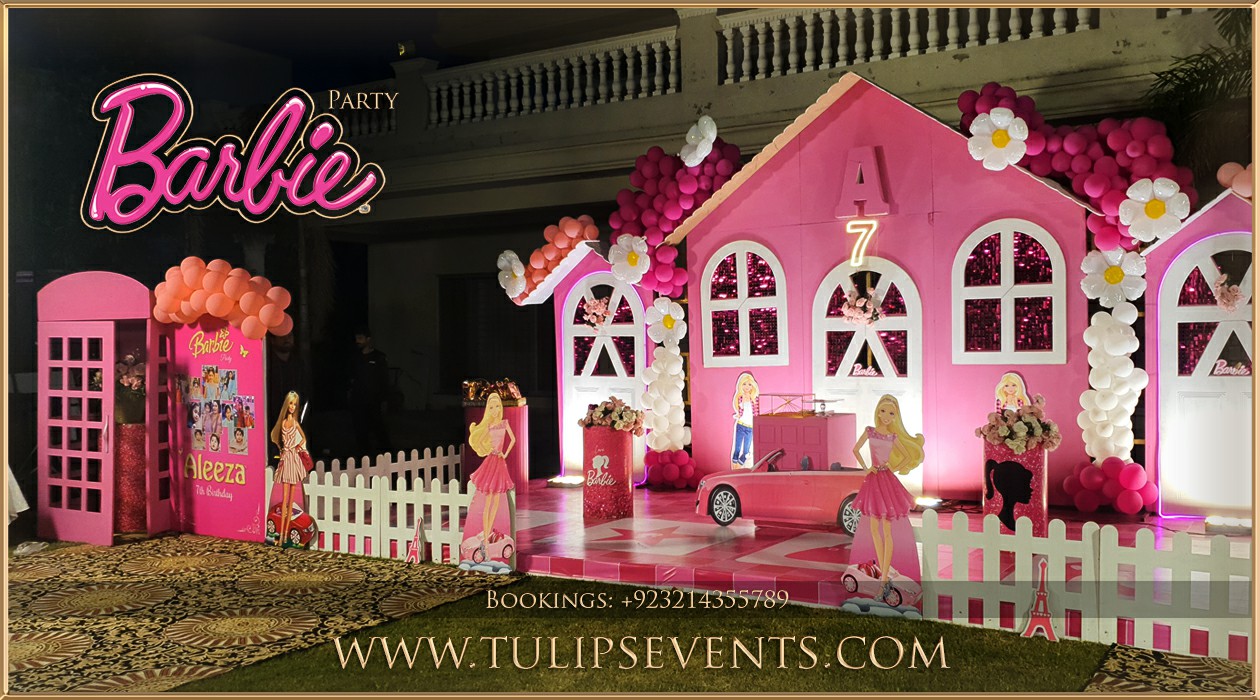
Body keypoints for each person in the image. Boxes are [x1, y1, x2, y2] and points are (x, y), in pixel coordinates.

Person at [851, 394, 925, 605]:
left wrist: (892, 467)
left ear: (895, 417)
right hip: (874, 478)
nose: (886, 416)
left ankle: (884, 579)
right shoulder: (870, 431)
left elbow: (907, 457)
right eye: (883, 411)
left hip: (886, 479)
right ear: (878, 412)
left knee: (887, 529)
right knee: (875, 529)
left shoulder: (893, 436)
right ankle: (883, 576)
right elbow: (855, 449)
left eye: (891, 413)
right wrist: (866, 468)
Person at [466, 393, 515, 565]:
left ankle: (487, 537)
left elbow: (513, 440)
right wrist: (489, 450)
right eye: (492, 407)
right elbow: (480, 441)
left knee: (495, 500)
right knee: (488, 501)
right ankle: (486, 537)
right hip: (491, 460)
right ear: (488, 409)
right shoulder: (489, 426)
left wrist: (505, 453)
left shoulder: (504, 423)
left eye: (497, 406)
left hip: (499, 461)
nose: (495, 410)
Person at [270, 391, 310, 547]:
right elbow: (276, 437)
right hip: (286, 458)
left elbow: (303, 438)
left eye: (295, 404)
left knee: (291, 500)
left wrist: (297, 447)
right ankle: (281, 535)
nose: (292, 407)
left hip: (292, 459)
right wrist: (282, 449)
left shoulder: (295, 423)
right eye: (291, 404)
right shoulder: (283, 423)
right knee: (285, 499)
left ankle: (285, 534)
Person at [349, 326, 392, 456]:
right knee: (360, 429)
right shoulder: (355, 357)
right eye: (356, 338)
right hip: (358, 400)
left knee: (378, 427)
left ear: (368, 339)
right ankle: (363, 455)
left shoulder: (379, 357)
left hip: (374, 400)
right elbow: (351, 377)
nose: (357, 341)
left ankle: (387, 453)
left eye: (360, 338)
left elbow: (384, 379)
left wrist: (384, 399)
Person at [730, 372, 759, 469]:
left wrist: (757, 424)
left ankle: (739, 466)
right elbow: (740, 410)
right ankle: (734, 468)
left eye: (749, 384)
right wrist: (738, 414)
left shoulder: (755, 399)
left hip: (750, 427)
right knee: (737, 449)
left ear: (752, 386)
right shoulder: (740, 398)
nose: (747, 387)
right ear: (741, 385)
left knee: (746, 451)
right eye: (744, 384)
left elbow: (756, 413)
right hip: (741, 425)